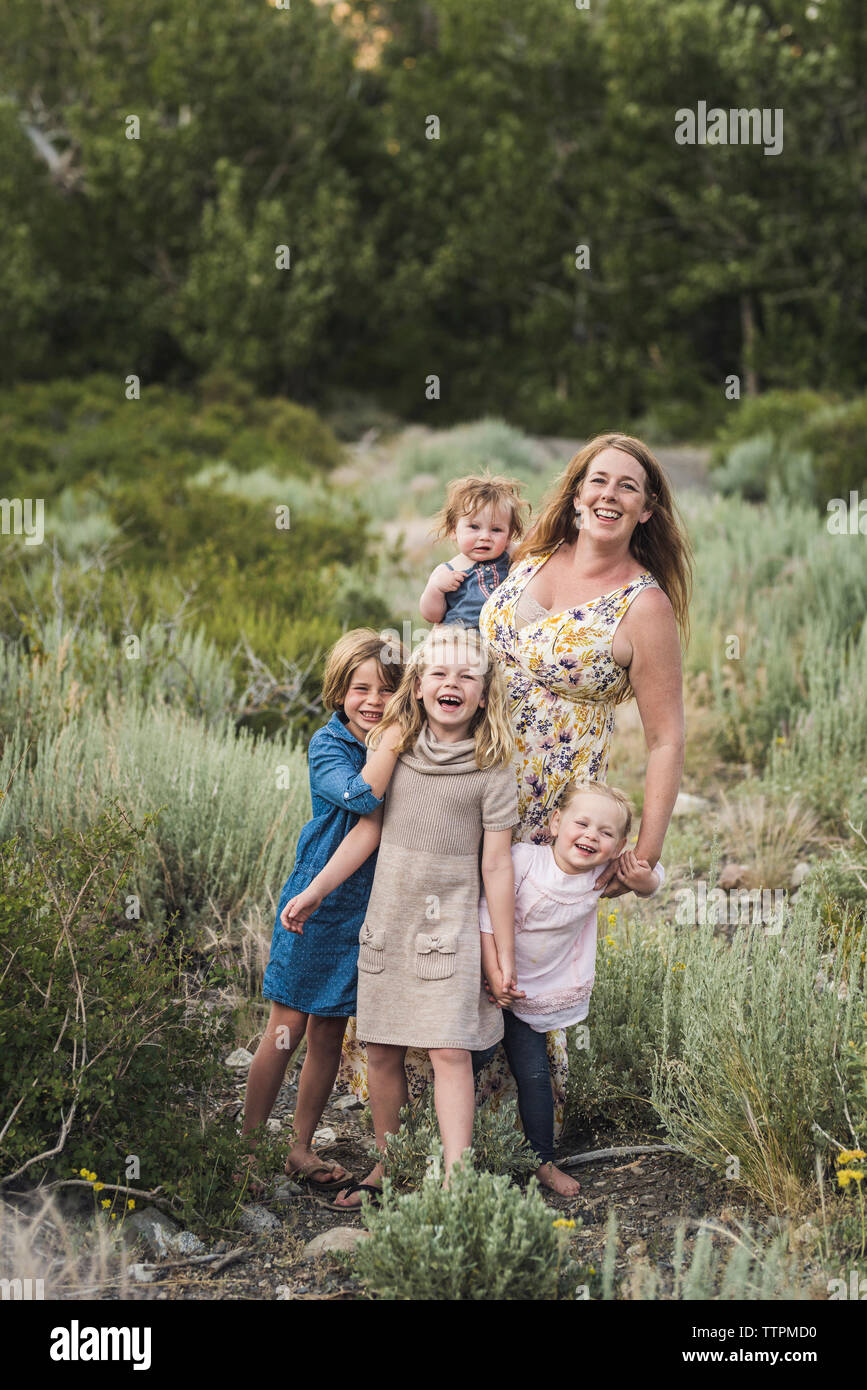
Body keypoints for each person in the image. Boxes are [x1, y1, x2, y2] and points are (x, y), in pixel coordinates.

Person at [475, 432, 691, 1132]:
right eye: (597, 481)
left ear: (646, 509)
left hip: (546, 804)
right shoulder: (533, 556)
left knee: (520, 954)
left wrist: (645, 856)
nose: (608, 495)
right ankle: (421, 1128)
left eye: (627, 486)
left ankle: (515, 1137)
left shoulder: (642, 606)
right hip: (464, 773)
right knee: (453, 926)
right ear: (575, 492)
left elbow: (665, 740)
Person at [281, 624, 519, 1208]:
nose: (451, 684)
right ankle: (390, 1167)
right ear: (417, 687)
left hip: (451, 925)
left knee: (449, 1050)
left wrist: (503, 954)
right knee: (382, 1049)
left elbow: (496, 867)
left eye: (467, 675)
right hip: (388, 920)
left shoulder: (493, 768)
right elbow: (368, 829)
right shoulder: (396, 753)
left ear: (484, 694)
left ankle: (455, 1180)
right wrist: (316, 890)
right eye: (438, 673)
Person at [241, 629, 406, 1189]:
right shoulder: (329, 745)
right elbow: (363, 798)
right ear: (339, 690)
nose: (373, 702)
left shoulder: (401, 741)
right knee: (286, 1027)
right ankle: (244, 1147)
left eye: (387, 690)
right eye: (361, 688)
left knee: (329, 1034)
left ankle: (299, 1147)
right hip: (318, 900)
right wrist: (391, 742)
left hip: (370, 907)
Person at [474, 779, 664, 1197]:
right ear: (557, 821)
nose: (591, 835)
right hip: (487, 985)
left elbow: (655, 880)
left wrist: (643, 880)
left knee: (535, 1077)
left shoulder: (603, 873)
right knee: (466, 1066)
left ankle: (541, 1161)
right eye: (582, 823)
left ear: (618, 847)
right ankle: (448, 1151)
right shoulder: (525, 860)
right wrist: (493, 972)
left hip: (534, 995)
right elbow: (486, 912)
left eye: (606, 832)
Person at [419, 472, 529, 629]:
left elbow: (535, 546)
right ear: (453, 531)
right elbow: (432, 615)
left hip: (500, 641)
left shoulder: (511, 555)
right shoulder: (447, 571)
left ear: (509, 535)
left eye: (496, 529)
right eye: (474, 527)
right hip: (460, 639)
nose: (485, 536)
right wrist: (436, 589)